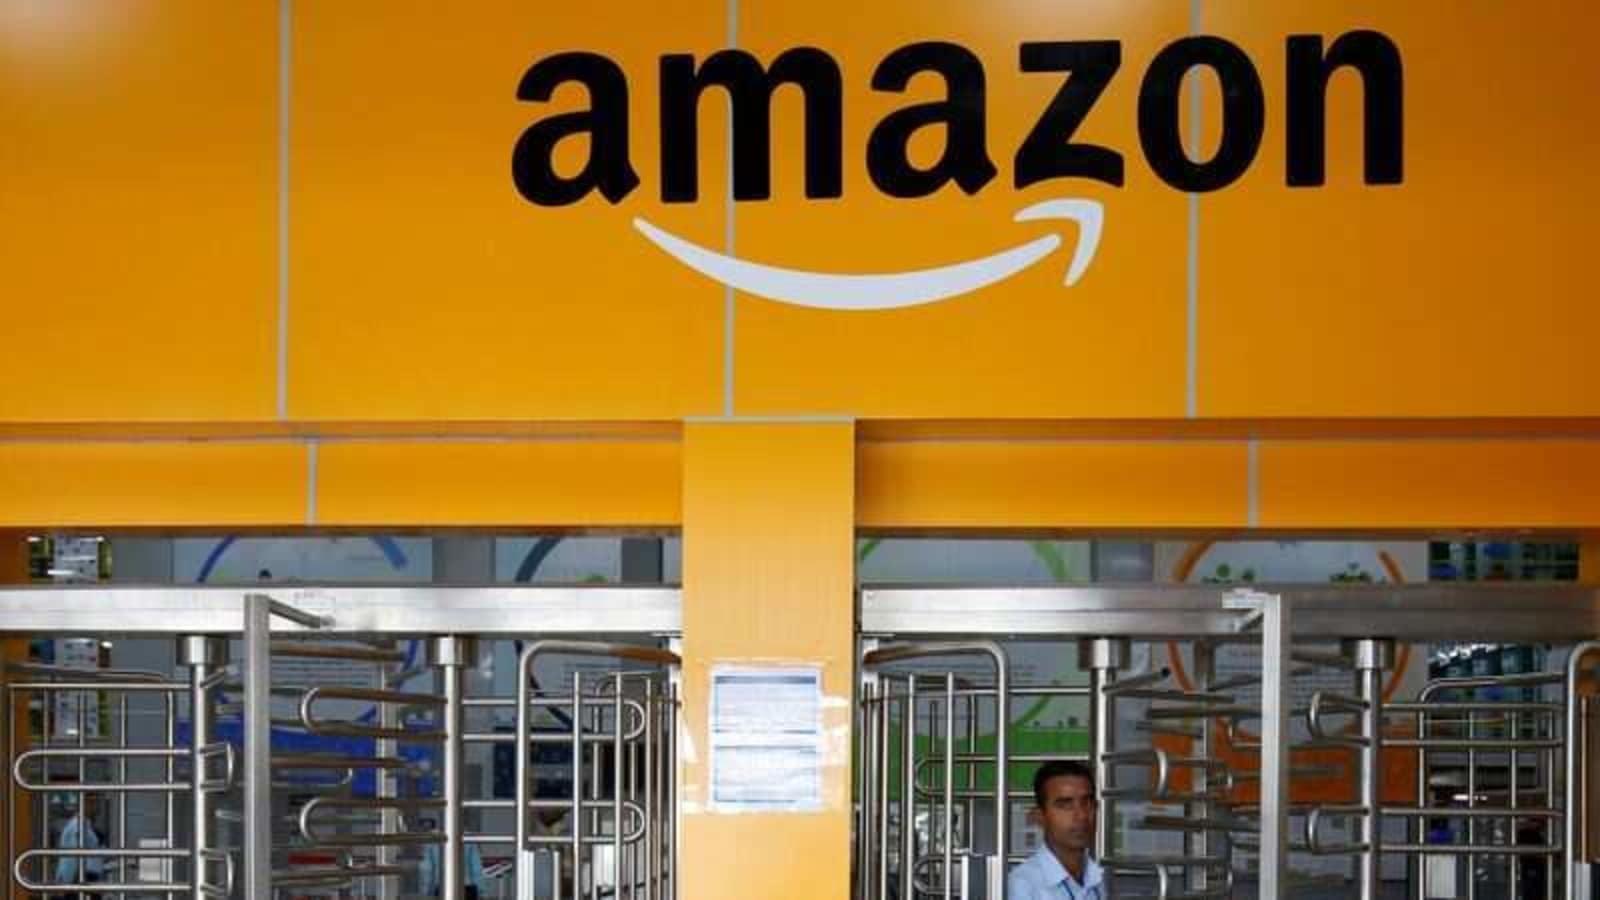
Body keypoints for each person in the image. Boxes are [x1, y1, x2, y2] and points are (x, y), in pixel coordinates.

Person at [1008, 760, 1103, 900]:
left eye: (1087, 803)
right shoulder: (1021, 887)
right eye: (1065, 805)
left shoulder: (1099, 879)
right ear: (1039, 817)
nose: (1082, 815)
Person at [417, 818, 487, 899]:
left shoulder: (434, 839)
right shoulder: (467, 837)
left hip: (441, 886)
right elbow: (476, 867)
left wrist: (426, 890)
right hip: (467, 887)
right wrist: (481, 891)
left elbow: (427, 869)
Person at [53, 795, 104, 900]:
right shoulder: (78, 826)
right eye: (92, 803)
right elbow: (72, 857)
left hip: (83, 879)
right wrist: (67, 884)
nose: (96, 807)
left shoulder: (85, 826)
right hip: (79, 879)